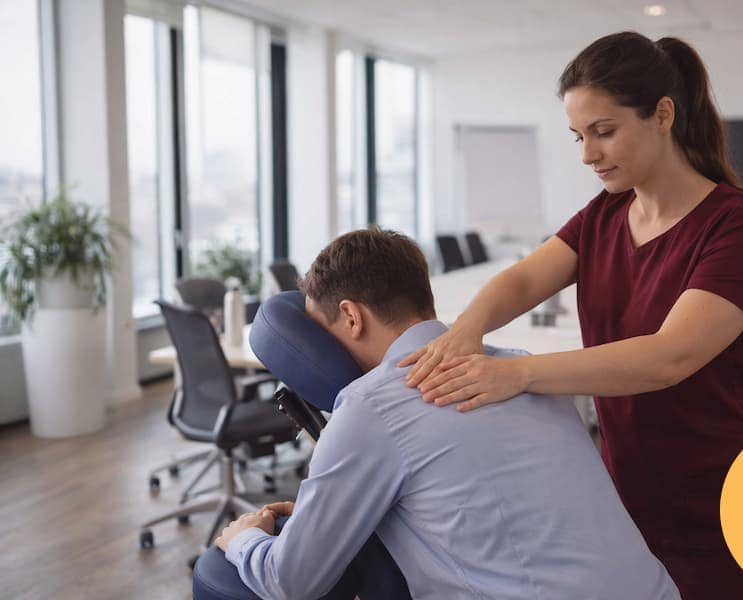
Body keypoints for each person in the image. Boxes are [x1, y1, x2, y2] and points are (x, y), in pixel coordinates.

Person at [399, 32, 743, 599]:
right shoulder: (606, 214)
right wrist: (466, 330)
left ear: (662, 115)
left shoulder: (737, 226)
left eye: (604, 132)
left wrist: (519, 372)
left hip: (728, 486)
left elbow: (668, 356)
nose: (587, 154)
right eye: (579, 136)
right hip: (633, 485)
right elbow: (525, 278)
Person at [210, 229, 680, 599]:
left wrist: (242, 539)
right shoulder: (521, 367)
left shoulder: (372, 406)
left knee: (220, 576)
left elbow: (289, 582)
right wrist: (330, 513)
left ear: (351, 318)